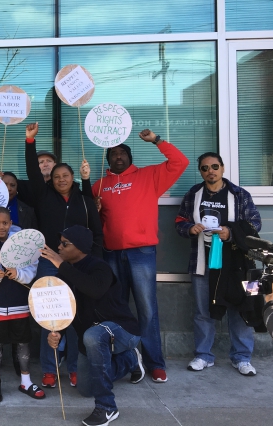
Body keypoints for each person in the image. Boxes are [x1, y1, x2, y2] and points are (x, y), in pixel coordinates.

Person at [91, 129, 189, 383]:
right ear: (108, 159)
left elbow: (180, 162)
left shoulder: (149, 175)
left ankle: (155, 362)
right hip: (111, 253)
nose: (119, 156)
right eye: (114, 153)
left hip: (142, 252)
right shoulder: (98, 186)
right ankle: (126, 360)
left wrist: (156, 140)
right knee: (116, 309)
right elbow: (92, 221)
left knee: (147, 309)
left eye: (123, 152)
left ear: (130, 157)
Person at [25, 123, 103, 389]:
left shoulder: (84, 199)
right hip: (49, 261)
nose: (60, 179)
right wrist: (30, 142)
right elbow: (33, 172)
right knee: (51, 316)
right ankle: (49, 368)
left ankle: (73, 368)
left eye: (65, 175)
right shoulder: (43, 195)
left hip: (78, 264)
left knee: (75, 317)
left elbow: (97, 231)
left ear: (73, 177)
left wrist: (96, 259)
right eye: (56, 176)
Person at [42, 226, 144, 426]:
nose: (59, 247)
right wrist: (57, 333)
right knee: (85, 388)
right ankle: (130, 360)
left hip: (122, 330)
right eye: (60, 242)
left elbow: (94, 289)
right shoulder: (65, 275)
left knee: (93, 335)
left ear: (80, 247)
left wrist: (62, 266)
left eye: (65, 243)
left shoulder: (100, 267)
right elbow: (64, 311)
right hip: (91, 338)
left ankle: (106, 408)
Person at [175, 152, 261, 376]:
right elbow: (180, 221)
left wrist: (230, 233)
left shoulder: (239, 194)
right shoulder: (194, 194)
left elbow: (255, 224)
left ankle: (242, 358)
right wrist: (189, 229)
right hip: (202, 263)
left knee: (240, 309)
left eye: (214, 166)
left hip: (236, 265)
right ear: (200, 171)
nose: (210, 171)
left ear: (222, 168)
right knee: (203, 312)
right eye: (205, 168)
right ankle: (203, 356)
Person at [0, 207, 44, 402]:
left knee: (23, 343)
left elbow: (32, 268)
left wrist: (19, 274)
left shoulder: (22, 244)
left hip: (19, 303)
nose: (1, 226)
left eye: (5, 223)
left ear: (11, 224)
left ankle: (26, 381)